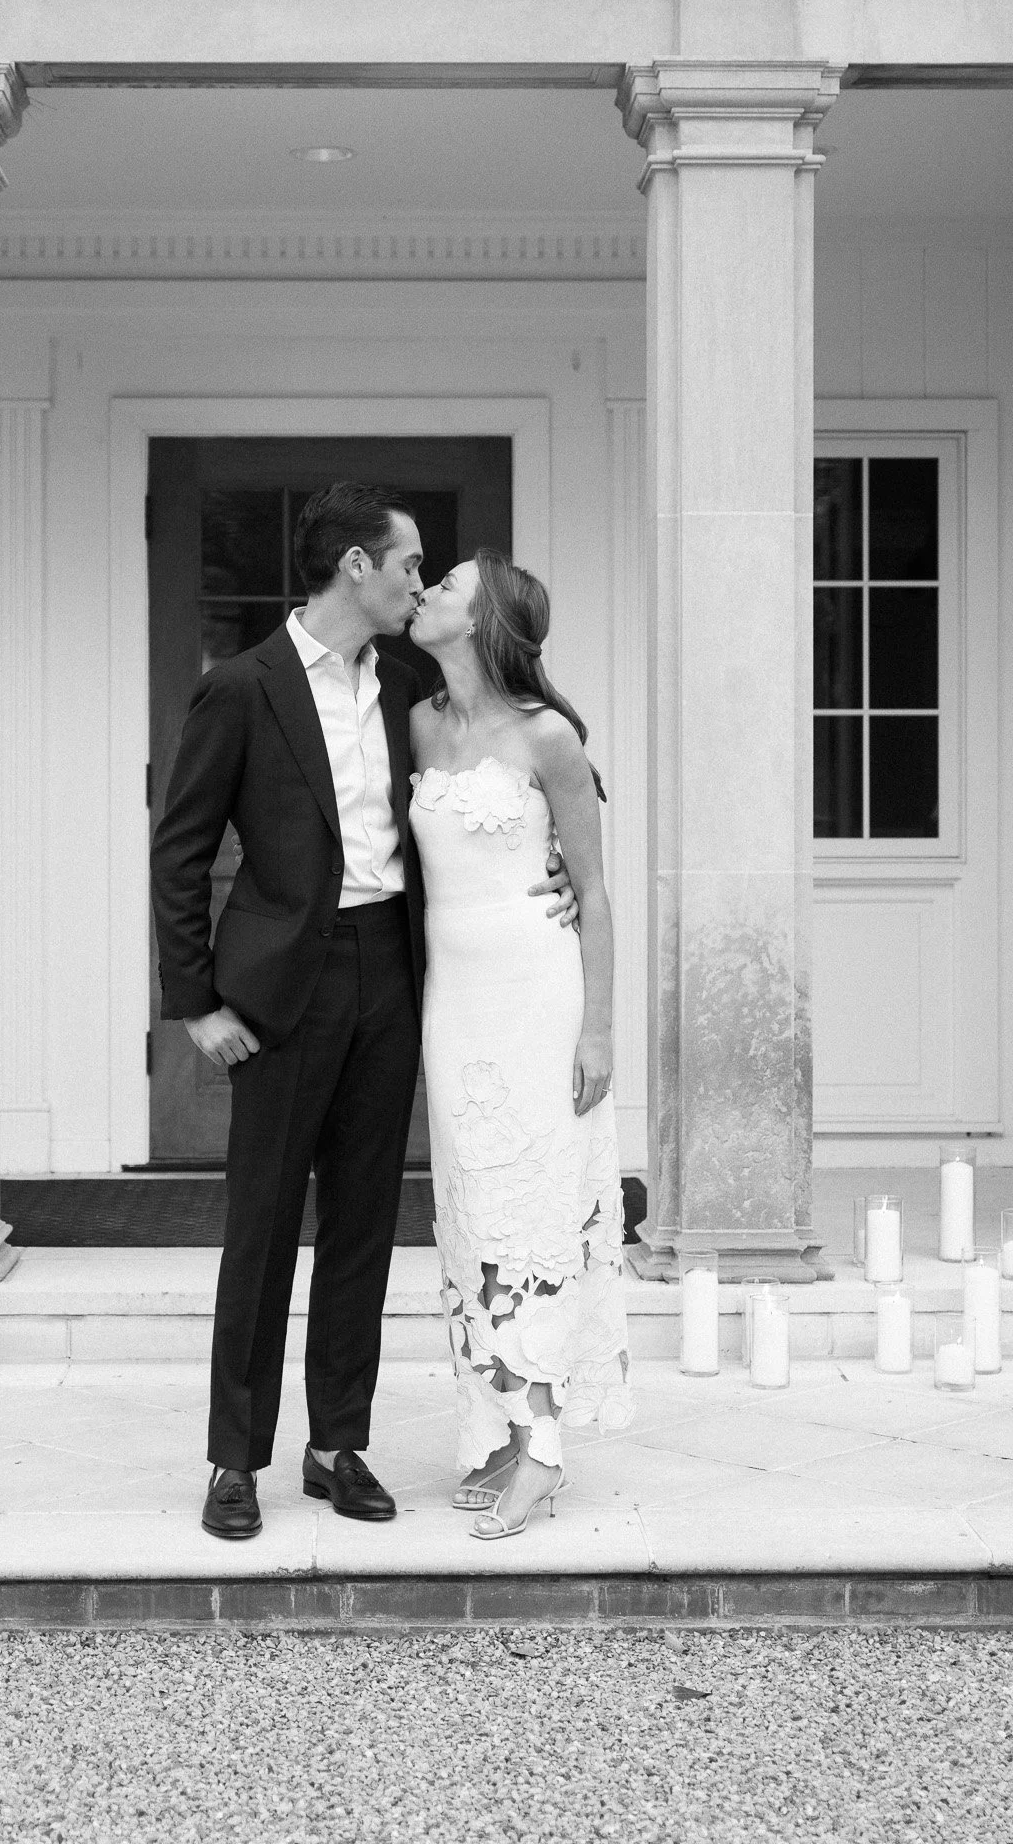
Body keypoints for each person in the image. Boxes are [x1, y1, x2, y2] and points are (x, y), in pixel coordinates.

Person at [150, 485, 574, 1540]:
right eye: (406, 563)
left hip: (393, 968)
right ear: (354, 567)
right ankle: (234, 1458)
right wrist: (194, 1001)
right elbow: (181, 849)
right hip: (282, 987)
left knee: (363, 1224)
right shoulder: (242, 688)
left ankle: (338, 1442)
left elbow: (512, 765)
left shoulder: (411, 691)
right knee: (261, 1227)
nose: (418, 581)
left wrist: (555, 864)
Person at [408, 550, 633, 1540]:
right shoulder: (417, 723)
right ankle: (500, 1423)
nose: (428, 596)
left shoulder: (549, 738)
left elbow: (593, 893)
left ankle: (544, 1448)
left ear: (486, 620)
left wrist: (600, 1031)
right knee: (473, 1216)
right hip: (452, 1005)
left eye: (448, 588)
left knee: (534, 1208)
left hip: (538, 999)